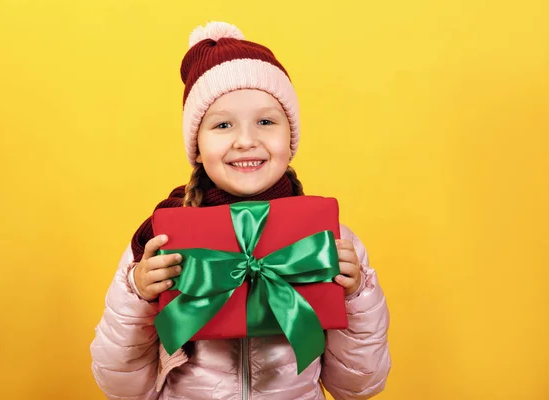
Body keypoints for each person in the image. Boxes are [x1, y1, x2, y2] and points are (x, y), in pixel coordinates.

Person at [90, 21, 391, 400]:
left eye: (266, 121)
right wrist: (137, 294)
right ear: (196, 146)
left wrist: (357, 293)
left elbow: (359, 387)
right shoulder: (158, 244)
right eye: (222, 125)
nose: (246, 140)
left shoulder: (329, 244)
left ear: (290, 137)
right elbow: (119, 387)